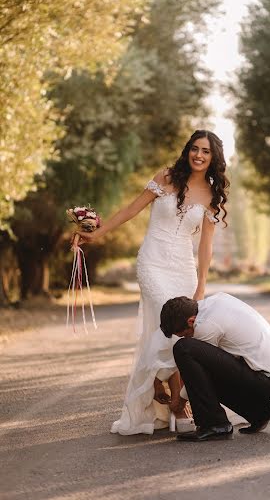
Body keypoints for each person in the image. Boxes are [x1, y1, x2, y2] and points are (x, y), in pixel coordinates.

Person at [77, 130, 229, 435]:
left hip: (184, 269)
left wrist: (201, 285)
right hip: (152, 262)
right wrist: (97, 233)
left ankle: (167, 389)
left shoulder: (212, 194)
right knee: (169, 321)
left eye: (206, 152)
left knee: (184, 332)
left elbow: (205, 247)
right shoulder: (166, 177)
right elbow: (132, 210)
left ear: (213, 159)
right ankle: (176, 403)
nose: (198, 155)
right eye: (195, 149)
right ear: (188, 150)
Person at [160, 292, 270, 441]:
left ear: (191, 321)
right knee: (204, 365)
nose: (187, 337)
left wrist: (179, 402)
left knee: (184, 348)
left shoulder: (205, 325)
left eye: (185, 334)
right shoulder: (216, 301)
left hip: (265, 380)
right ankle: (260, 411)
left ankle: (214, 424)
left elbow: (198, 374)